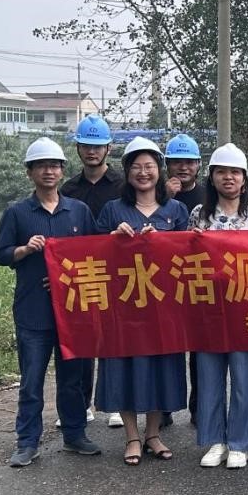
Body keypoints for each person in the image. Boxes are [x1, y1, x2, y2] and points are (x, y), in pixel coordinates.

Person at [0, 137, 101, 467]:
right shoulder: (17, 213)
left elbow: (95, 254)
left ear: (62, 171)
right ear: (30, 172)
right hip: (33, 312)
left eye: (54, 166)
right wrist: (24, 250)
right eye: (41, 166)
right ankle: (27, 442)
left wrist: (67, 278)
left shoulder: (78, 211)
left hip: (72, 311)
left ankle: (74, 434)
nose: (49, 171)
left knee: (72, 379)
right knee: (32, 381)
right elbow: (0, 254)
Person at [95, 137, 189, 465]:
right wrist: (112, 239)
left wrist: (163, 242)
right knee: (124, 366)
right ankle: (132, 436)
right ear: (127, 172)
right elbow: (93, 255)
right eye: (136, 167)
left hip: (163, 305)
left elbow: (188, 255)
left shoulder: (176, 210)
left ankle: (153, 434)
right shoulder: (112, 210)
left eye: (149, 166)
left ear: (159, 171)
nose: (143, 173)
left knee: (159, 367)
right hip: (123, 304)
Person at [188, 143, 248, 469]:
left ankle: (240, 442)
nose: (228, 177)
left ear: (244, 178)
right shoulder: (199, 214)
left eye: (235, 172)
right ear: (212, 177)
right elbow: (186, 259)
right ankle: (214, 440)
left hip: (245, 305)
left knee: (244, 376)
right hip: (208, 306)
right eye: (221, 172)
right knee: (209, 378)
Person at [61, 114, 122, 428]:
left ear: (108, 148)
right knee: (83, 340)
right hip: (82, 274)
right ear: (78, 148)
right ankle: (82, 404)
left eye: (98, 146)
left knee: (115, 340)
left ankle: (114, 403)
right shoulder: (69, 189)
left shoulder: (123, 186)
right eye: (86, 145)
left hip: (119, 275)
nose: (92, 151)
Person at [164, 132, 204, 426]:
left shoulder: (207, 196)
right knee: (168, 347)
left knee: (200, 350)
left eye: (189, 162)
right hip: (167, 282)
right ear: (167, 165)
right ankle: (163, 408)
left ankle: (199, 407)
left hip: (201, 281)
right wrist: (165, 197)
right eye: (177, 162)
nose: (183, 167)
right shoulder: (157, 195)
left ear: (198, 165)